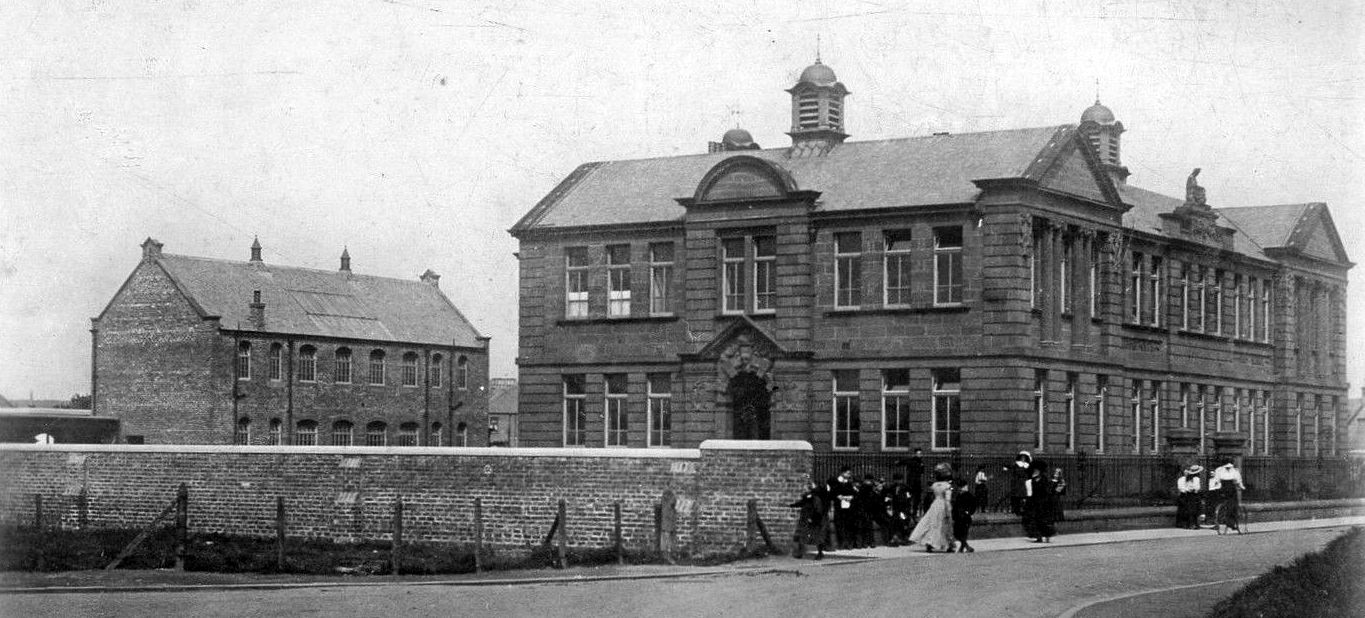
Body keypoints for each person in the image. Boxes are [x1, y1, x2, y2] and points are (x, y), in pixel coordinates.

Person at [908, 463, 955, 552]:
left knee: (932, 524)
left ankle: (929, 543)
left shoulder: (934, 485)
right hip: (943, 505)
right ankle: (947, 545)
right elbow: (948, 499)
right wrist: (949, 509)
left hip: (935, 505)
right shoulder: (947, 486)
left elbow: (932, 495)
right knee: (944, 525)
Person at [788, 480, 826, 559]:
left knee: (817, 537)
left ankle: (820, 553)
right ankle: (800, 553)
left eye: (805, 489)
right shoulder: (807, 498)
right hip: (805, 520)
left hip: (813, 521)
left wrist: (813, 519)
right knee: (802, 536)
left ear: (809, 490)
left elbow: (818, 510)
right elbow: (800, 503)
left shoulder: (815, 499)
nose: (803, 490)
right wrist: (790, 505)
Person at [1022, 460, 1057, 543]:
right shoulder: (1032, 480)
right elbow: (1030, 491)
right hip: (1034, 502)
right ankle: (1038, 537)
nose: (1035, 471)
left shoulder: (1044, 480)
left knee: (1043, 520)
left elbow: (1047, 491)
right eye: (1034, 470)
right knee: (1034, 520)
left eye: (1037, 470)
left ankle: (1047, 535)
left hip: (1043, 502)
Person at [1208, 457, 1246, 531]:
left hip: (1223, 489)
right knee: (1233, 505)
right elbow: (1238, 480)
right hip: (1230, 489)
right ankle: (1230, 522)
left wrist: (1215, 487)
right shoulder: (1234, 470)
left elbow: (1216, 480)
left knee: (1226, 504)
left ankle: (1223, 520)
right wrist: (1241, 487)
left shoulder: (1219, 470)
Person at [825, 466, 858, 550]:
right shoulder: (835, 481)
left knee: (848, 525)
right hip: (838, 506)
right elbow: (831, 493)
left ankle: (847, 543)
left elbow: (854, 493)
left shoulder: (849, 483)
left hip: (847, 506)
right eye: (848, 473)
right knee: (839, 525)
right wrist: (837, 496)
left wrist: (851, 497)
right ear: (842, 473)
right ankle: (841, 543)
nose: (849, 475)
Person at [884, 472, 913, 546]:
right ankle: (895, 539)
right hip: (896, 508)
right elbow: (888, 495)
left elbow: (909, 497)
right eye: (897, 480)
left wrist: (908, 506)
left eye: (899, 480)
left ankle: (905, 538)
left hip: (904, 508)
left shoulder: (906, 487)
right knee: (895, 523)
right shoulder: (892, 487)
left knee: (904, 522)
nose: (898, 482)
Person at [896, 448, 926, 517]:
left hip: (917, 483)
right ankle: (909, 512)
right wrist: (898, 462)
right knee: (909, 498)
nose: (919, 455)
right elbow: (903, 462)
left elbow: (922, 472)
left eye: (920, 453)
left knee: (917, 499)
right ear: (915, 454)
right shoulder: (911, 460)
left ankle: (914, 513)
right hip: (910, 483)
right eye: (918, 453)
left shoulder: (921, 462)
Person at [951, 478, 978, 553]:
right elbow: (955, 506)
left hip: (965, 518)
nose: (960, 489)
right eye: (959, 487)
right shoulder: (959, 495)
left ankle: (963, 548)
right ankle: (967, 547)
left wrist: (968, 512)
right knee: (957, 534)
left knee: (963, 533)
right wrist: (954, 514)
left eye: (961, 487)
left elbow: (973, 506)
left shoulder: (969, 496)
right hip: (958, 518)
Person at [1175, 464, 1204, 529]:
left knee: (1194, 510)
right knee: (1191, 510)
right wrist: (1191, 490)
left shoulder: (1193, 479)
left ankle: (1193, 524)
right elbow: (1194, 488)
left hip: (1192, 495)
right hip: (1190, 495)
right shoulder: (1192, 479)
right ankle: (1191, 524)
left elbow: (1196, 488)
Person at [1006, 451, 1032, 516]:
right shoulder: (1016, 464)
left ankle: (1023, 510)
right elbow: (1012, 469)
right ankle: (1016, 510)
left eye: (1024, 457)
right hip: (1017, 482)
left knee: (1024, 496)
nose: (1023, 459)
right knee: (1016, 496)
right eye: (1022, 457)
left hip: (1024, 482)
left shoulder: (1027, 466)